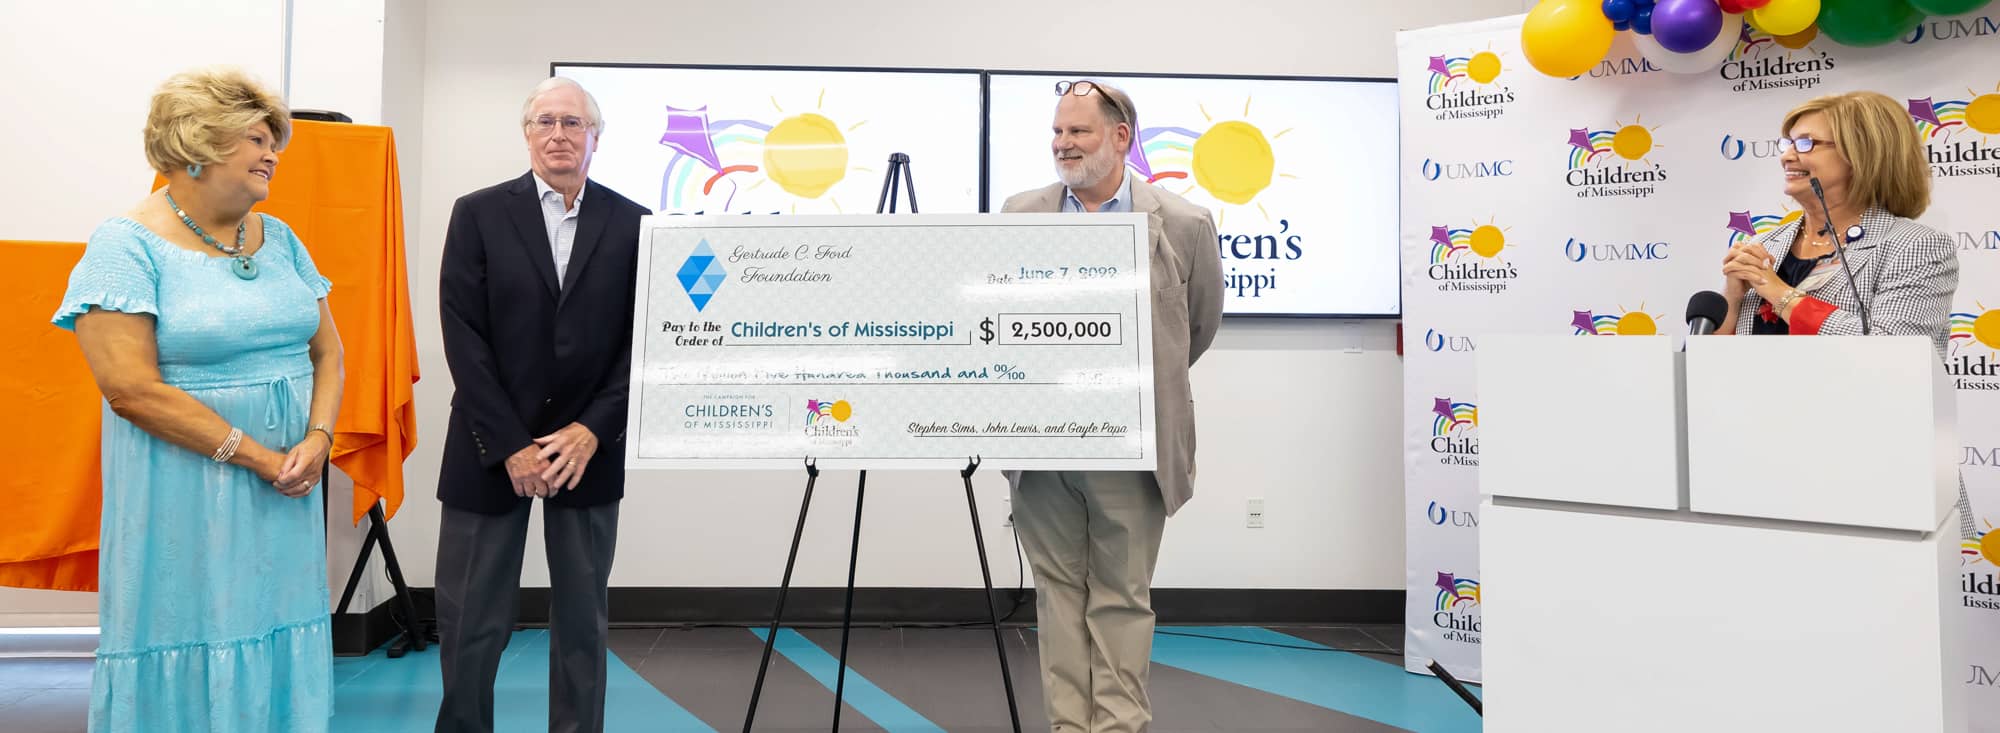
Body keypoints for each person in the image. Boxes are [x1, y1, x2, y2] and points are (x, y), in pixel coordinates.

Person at [55, 67, 343, 732]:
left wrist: (319, 438)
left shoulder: (284, 239)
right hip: (184, 491)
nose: (272, 153)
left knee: (274, 619)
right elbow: (130, 389)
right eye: (255, 138)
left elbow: (329, 350)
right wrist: (259, 458)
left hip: (286, 490)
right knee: (191, 620)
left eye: (275, 139)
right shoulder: (121, 245)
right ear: (195, 145)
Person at [999, 80, 1224, 733]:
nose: (1063, 145)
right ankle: (1069, 726)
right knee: (1059, 598)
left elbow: (1196, 329)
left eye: (1079, 132)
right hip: (1043, 446)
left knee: (1122, 601)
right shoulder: (1021, 214)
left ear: (1120, 137)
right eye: (1058, 132)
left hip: (1133, 446)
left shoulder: (1182, 223)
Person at [433, 76, 649, 733]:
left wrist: (592, 428)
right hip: (488, 446)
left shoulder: (636, 222)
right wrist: (510, 444)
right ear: (527, 134)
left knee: (584, 619)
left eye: (573, 123)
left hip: (589, 448)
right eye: (546, 122)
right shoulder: (477, 214)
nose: (559, 134)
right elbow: (461, 333)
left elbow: (645, 341)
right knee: (472, 618)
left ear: (595, 138)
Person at [1717, 90, 1972, 537]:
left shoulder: (1914, 246)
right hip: (1762, 466)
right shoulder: (1768, 247)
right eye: (1787, 143)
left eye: (1807, 144)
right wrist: (1734, 300)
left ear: (1863, 155)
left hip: (1873, 473)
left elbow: (1897, 357)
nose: (1787, 156)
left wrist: (1780, 293)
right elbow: (1716, 371)